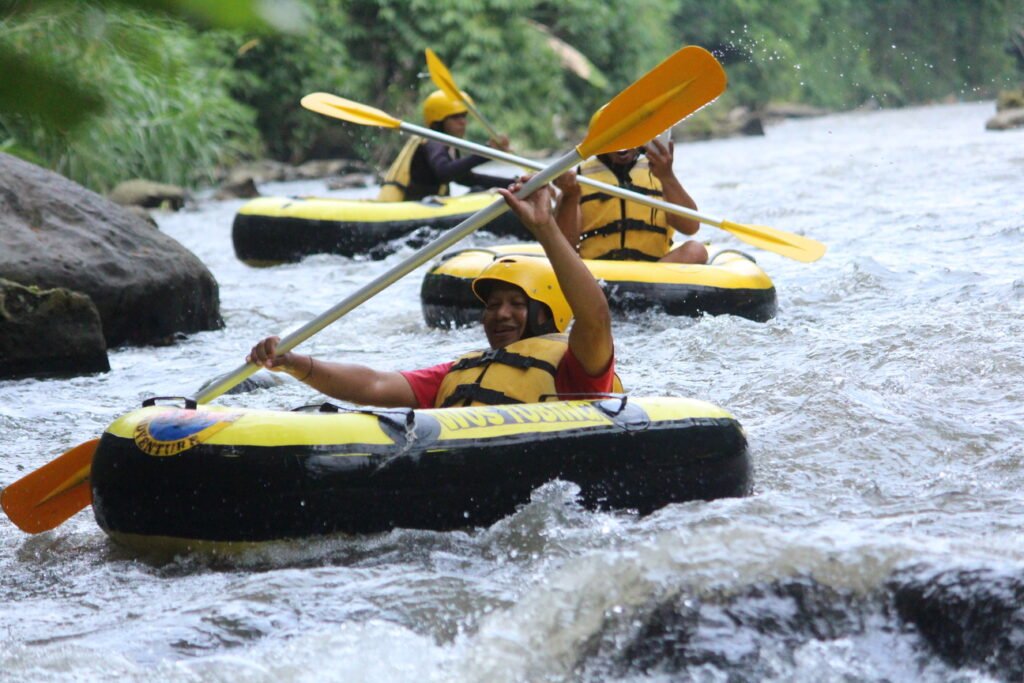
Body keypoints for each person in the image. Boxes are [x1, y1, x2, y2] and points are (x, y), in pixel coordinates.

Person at [248, 175, 618, 409]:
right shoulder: (460, 371)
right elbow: (374, 384)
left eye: (516, 304)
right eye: (492, 305)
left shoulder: (577, 367)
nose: (500, 314)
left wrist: (545, 227)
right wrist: (296, 364)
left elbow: (595, 316)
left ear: (546, 313)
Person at [558, 138, 708, 264]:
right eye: (615, 137)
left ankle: (649, 286)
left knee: (696, 250)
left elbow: (691, 227)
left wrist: (667, 177)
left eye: (629, 136)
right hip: (598, 274)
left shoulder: (659, 171)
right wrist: (569, 197)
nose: (622, 142)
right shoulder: (577, 178)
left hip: (653, 272)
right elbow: (564, 247)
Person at [377, 89, 514, 202]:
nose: (463, 122)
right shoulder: (432, 142)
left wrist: (513, 183)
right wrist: (488, 152)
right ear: (439, 121)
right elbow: (444, 172)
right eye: (455, 117)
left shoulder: (449, 145)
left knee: (478, 191)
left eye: (464, 116)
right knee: (477, 192)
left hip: (431, 204)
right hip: (415, 206)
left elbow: (467, 178)